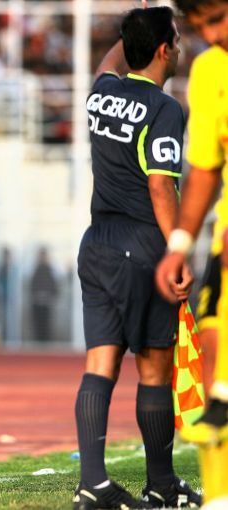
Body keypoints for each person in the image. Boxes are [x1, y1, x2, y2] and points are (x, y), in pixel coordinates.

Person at [73, 7, 201, 509]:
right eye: (176, 40)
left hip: (97, 242)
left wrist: (133, 32)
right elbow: (160, 186)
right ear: (166, 50)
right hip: (143, 244)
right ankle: (161, 484)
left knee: (99, 364)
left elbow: (109, 63)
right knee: (153, 368)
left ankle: (93, 484)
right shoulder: (165, 108)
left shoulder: (101, 92)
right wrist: (177, 250)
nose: (180, 47)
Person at [156, 0, 228, 448]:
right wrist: (179, 245)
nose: (213, 35)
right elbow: (204, 168)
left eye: (218, 19)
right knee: (212, 340)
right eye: (201, 28)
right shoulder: (208, 71)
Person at [29, 247, 58, 342]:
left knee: (46, 326)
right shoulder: (35, 270)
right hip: (37, 303)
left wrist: (49, 297)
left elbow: (54, 287)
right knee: (37, 326)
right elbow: (32, 286)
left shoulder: (50, 270)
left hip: (46, 304)